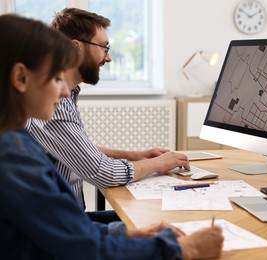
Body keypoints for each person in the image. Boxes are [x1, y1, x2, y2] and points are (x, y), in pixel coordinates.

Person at [0, 14, 224, 259]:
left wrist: (122, 233)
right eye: (56, 78)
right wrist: (184, 249)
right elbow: (83, 249)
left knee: (134, 220)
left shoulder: (16, 139)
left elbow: (65, 229)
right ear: (21, 78)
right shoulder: (12, 154)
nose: (64, 91)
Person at [26, 8, 190, 218]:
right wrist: (158, 164)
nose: (109, 57)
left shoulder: (63, 95)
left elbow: (76, 148)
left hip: (66, 220)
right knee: (161, 221)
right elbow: (105, 174)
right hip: (60, 228)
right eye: (104, 48)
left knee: (152, 217)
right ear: (76, 48)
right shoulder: (54, 107)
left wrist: (137, 155)